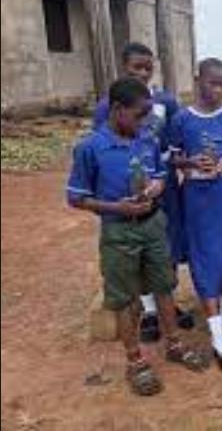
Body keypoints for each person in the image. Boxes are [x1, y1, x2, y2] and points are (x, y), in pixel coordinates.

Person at [67, 77, 208, 396]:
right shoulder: (90, 148)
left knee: (164, 286)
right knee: (123, 297)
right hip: (118, 231)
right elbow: (76, 197)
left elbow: (160, 174)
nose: (144, 121)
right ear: (117, 109)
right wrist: (115, 207)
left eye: (147, 115)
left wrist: (157, 186)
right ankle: (135, 361)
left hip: (153, 224)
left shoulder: (146, 140)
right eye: (139, 114)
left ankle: (174, 345)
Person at [92, 41, 193, 342]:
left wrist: (181, 167)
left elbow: (175, 142)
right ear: (124, 66)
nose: (143, 73)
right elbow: (103, 146)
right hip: (127, 187)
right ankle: (149, 310)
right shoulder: (108, 105)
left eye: (148, 68)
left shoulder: (166, 102)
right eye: (137, 67)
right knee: (136, 244)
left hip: (164, 183)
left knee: (166, 241)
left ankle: (167, 302)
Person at [169, 58, 222, 376]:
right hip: (199, 198)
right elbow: (173, 157)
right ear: (197, 80)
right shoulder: (181, 119)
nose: (218, 90)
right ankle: (219, 340)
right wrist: (191, 163)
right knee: (206, 260)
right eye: (213, 83)